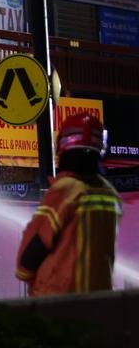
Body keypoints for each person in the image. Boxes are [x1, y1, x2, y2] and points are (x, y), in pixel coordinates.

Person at [16, 112, 122, 295]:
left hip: (60, 302)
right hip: (100, 301)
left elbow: (35, 248)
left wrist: (25, 272)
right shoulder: (110, 194)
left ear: (62, 146)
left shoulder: (66, 190)